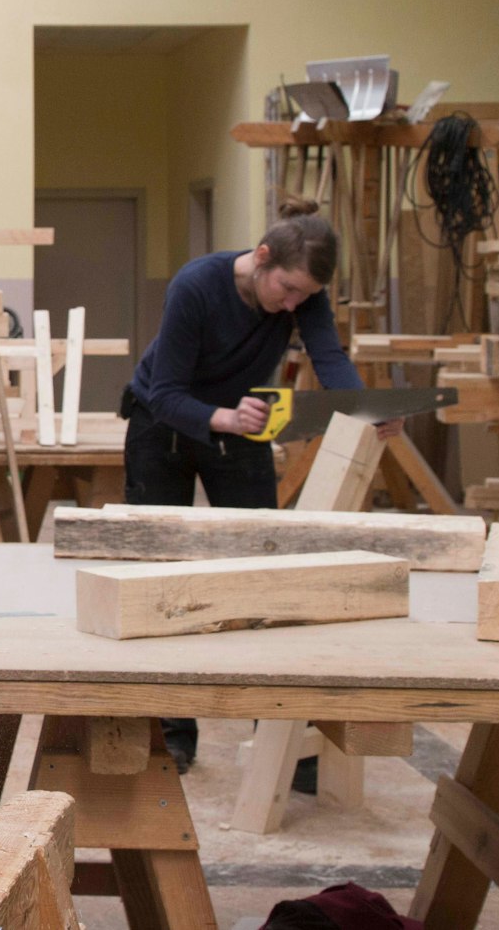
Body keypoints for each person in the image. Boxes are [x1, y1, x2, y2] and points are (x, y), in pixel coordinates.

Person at [118, 196, 395, 780]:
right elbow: (165, 393)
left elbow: (329, 358)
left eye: (304, 297)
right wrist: (222, 417)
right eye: (287, 290)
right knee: (159, 575)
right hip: (163, 422)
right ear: (262, 257)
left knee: (264, 571)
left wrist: (368, 409)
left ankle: (280, 746)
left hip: (243, 420)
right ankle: (171, 737)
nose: (292, 306)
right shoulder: (196, 286)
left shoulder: (304, 295)